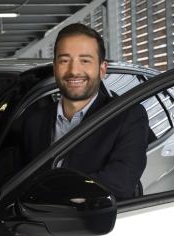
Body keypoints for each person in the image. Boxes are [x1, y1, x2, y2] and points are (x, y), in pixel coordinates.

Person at [22, 23, 149, 200]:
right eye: (65, 60)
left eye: (85, 60)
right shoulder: (33, 123)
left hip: (97, 224)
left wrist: (50, 192)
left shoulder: (127, 116)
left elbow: (120, 183)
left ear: (102, 69)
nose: (74, 71)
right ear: (55, 67)